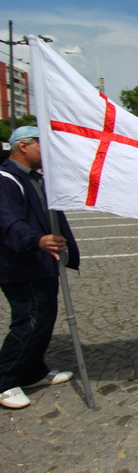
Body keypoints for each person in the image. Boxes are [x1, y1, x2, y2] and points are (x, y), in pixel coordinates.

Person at [0, 126, 80, 409]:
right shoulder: (6, 179)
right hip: (20, 263)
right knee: (29, 320)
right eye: (40, 145)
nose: (45, 152)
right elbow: (7, 221)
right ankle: (5, 381)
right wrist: (36, 240)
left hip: (42, 261)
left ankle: (33, 371)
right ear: (22, 145)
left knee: (45, 317)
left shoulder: (36, 177)